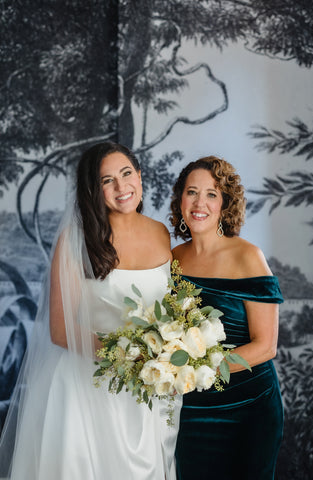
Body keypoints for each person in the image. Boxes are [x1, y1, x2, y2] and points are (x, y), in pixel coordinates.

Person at [0, 142, 182, 480]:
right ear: (93, 191)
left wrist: (169, 357)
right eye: (106, 180)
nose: (121, 187)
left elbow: (172, 310)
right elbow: (58, 329)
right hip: (88, 387)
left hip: (149, 390)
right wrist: (133, 358)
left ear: (140, 177)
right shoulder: (74, 240)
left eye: (126, 174)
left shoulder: (161, 233)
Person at [170, 156, 283, 480]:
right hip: (191, 411)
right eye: (191, 192)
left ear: (225, 203)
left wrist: (198, 369)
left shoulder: (248, 256)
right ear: (180, 200)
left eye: (211, 194)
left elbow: (266, 346)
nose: (199, 203)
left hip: (249, 408)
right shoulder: (173, 259)